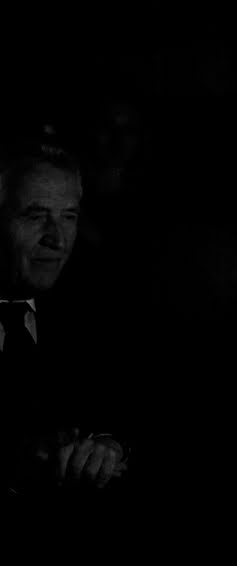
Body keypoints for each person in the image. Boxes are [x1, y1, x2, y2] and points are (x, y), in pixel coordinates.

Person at [0, 131, 127, 497]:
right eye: (35, 216)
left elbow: (128, 401)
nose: (57, 239)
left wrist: (108, 445)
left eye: (68, 216)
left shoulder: (91, 310)